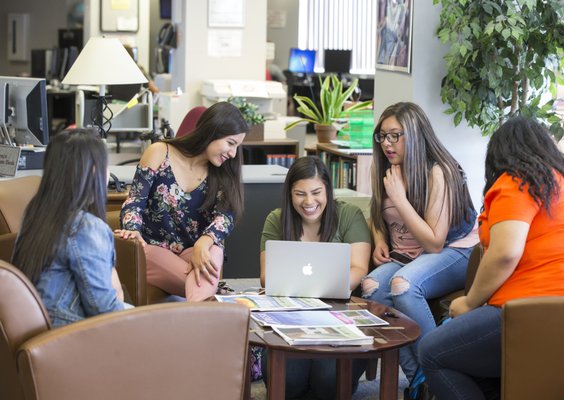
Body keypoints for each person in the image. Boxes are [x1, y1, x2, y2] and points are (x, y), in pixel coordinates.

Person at [418, 116, 564, 399]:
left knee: (431, 352)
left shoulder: (517, 181)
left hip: (528, 312)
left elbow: (505, 253)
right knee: (476, 370)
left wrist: (469, 302)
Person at [360, 102, 478, 382]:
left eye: (394, 136)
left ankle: (440, 373)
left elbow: (435, 242)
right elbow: (376, 212)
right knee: (372, 288)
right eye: (382, 136)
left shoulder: (440, 171)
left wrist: (400, 198)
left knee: (403, 286)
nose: (387, 144)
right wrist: (378, 237)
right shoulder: (384, 168)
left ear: (414, 134)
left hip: (456, 249)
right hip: (409, 255)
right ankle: (419, 380)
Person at [260, 156, 371, 399]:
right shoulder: (276, 219)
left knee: (328, 384)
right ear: (289, 194)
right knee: (286, 382)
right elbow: (267, 277)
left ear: (328, 191)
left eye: (316, 192)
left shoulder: (349, 215)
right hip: (292, 316)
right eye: (300, 194)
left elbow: (359, 268)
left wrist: (314, 290)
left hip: (340, 314)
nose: (309, 202)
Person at [116, 102, 247, 302]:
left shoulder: (222, 172)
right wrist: (133, 229)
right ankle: (213, 297)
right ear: (211, 131)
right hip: (153, 250)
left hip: (195, 251)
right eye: (230, 143)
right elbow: (135, 201)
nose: (233, 154)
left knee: (214, 247)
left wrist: (204, 242)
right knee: (143, 253)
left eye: (237, 146)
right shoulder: (159, 152)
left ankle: (207, 302)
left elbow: (225, 216)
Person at [11, 129, 125, 327]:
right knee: (171, 313)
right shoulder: (86, 227)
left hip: (42, 330)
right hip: (72, 336)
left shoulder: (36, 212)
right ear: (93, 171)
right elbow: (104, 311)